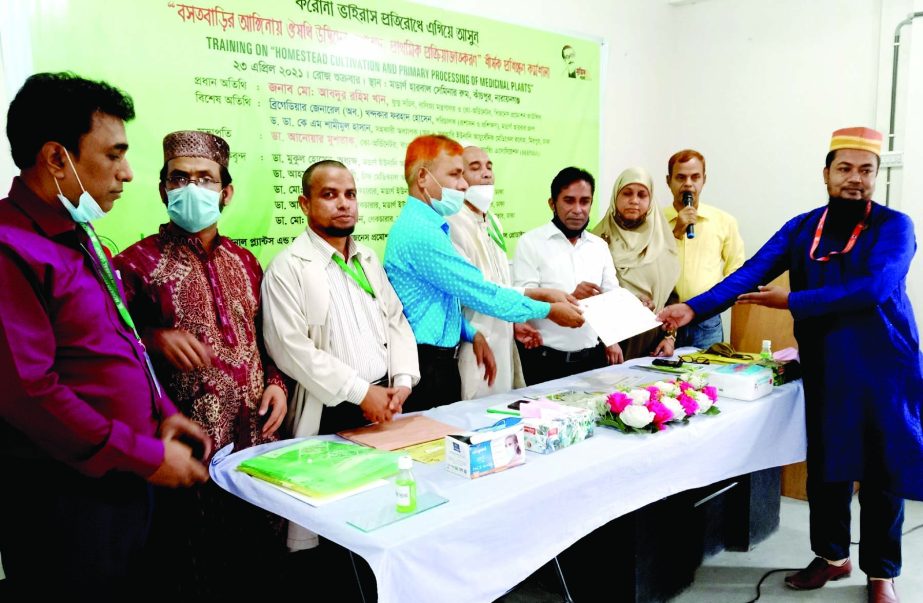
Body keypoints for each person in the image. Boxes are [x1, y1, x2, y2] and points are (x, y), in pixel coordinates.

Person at [658, 127, 923, 603]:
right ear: (826, 174)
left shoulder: (895, 226)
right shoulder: (803, 227)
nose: (854, 180)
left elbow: (874, 289)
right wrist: (694, 309)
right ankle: (831, 556)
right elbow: (749, 273)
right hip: (825, 367)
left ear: (877, 176)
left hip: (885, 368)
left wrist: (792, 301)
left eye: (865, 171)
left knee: (882, 472)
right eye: (844, 169)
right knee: (827, 467)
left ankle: (881, 573)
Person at [0, 72, 210, 598]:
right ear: (56, 158)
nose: (128, 173)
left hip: (129, 477)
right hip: (64, 499)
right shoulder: (11, 248)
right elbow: (31, 392)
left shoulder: (81, 234)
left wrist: (163, 414)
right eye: (114, 155)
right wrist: (142, 455)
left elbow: (122, 340)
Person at [114, 130, 288, 595]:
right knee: (194, 572)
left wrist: (275, 383)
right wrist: (152, 338)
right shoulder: (134, 265)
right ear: (162, 188)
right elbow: (112, 348)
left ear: (226, 192)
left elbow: (262, 339)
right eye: (179, 178)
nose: (192, 188)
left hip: (255, 439)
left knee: (261, 564)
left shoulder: (247, 261)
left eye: (205, 179)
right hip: (189, 451)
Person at [262, 159, 419, 551]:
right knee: (338, 526)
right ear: (304, 203)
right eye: (329, 195)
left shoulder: (367, 259)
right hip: (333, 409)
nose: (344, 204)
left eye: (350, 194)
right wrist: (360, 392)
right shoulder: (287, 267)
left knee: (385, 515)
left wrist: (400, 382)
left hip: (384, 406)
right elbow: (290, 348)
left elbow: (396, 319)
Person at [384, 134, 584, 411]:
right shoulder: (421, 233)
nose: (464, 184)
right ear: (422, 177)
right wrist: (548, 310)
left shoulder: (430, 225)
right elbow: (479, 291)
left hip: (441, 358)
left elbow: (443, 299)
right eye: (456, 174)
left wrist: (472, 334)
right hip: (425, 364)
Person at [447, 145, 555, 399]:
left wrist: (515, 321)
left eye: (489, 166)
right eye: (475, 168)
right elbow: (474, 292)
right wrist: (544, 301)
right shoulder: (452, 222)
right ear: (459, 178)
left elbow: (500, 281)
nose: (486, 173)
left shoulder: (492, 220)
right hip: (473, 341)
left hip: (503, 338)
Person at [512, 167, 624, 384]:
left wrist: (620, 326)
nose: (578, 209)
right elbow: (523, 299)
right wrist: (570, 297)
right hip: (546, 360)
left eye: (585, 201)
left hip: (593, 358)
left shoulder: (599, 246)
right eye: (569, 200)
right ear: (552, 203)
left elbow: (612, 295)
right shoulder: (531, 242)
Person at [592, 167, 680, 359]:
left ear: (650, 201)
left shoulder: (661, 244)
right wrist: (628, 305)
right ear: (615, 197)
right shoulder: (594, 241)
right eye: (627, 193)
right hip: (606, 346)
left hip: (651, 344)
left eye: (642, 195)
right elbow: (586, 296)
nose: (634, 200)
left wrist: (670, 337)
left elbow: (670, 297)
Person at [662, 149, 744, 349]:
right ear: (668, 181)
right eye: (680, 177)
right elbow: (648, 268)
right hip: (664, 321)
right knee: (661, 379)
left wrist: (712, 302)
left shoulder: (724, 221)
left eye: (695, 177)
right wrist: (675, 232)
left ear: (704, 180)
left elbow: (737, 271)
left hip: (707, 319)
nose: (688, 184)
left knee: (709, 378)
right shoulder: (656, 221)